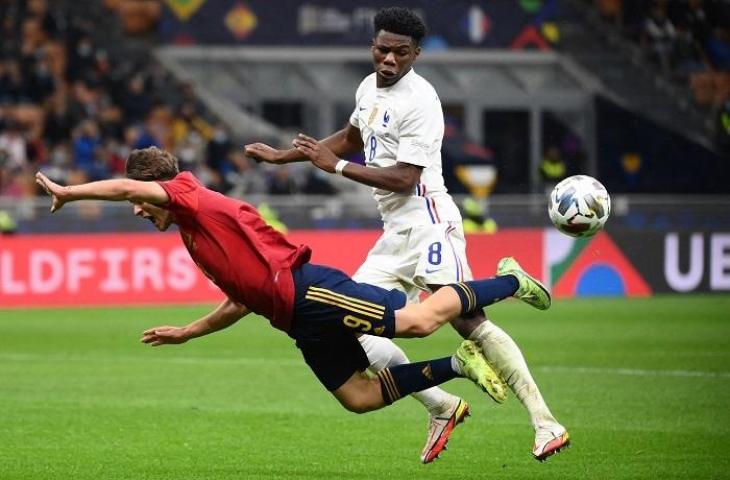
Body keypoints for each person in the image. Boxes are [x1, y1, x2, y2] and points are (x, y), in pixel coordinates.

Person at [34, 146, 552, 459]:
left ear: (157, 188)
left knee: (418, 321)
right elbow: (241, 301)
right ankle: (458, 365)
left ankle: (510, 281)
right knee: (358, 397)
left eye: (142, 204)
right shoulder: (194, 229)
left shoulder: (187, 195)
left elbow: (129, 189)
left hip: (311, 292)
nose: (139, 212)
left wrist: (69, 191)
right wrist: (188, 331)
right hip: (295, 320)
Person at [244, 6, 569, 463]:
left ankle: (545, 421)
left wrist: (333, 167)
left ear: (415, 54)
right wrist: (284, 157)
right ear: (372, 47)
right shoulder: (367, 87)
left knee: (465, 321)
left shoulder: (422, 102)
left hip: (429, 220)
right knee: (353, 324)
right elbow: (352, 138)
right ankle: (441, 405)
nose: (389, 59)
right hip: (393, 232)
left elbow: (404, 178)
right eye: (382, 49)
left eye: (400, 52)